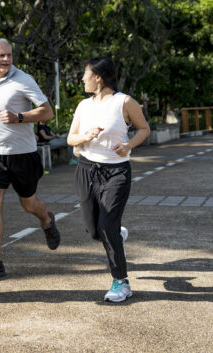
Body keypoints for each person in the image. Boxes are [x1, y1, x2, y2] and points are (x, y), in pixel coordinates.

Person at [0, 38, 61, 279]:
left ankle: (46, 220)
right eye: (1, 56)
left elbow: (47, 111)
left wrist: (19, 117)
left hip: (23, 154)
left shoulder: (24, 80)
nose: (7, 59)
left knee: (28, 204)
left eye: (9, 55)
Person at [67, 56, 150, 303]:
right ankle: (117, 234)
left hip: (116, 172)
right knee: (95, 230)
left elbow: (144, 128)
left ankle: (121, 282)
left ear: (98, 77)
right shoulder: (84, 106)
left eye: (86, 74)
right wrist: (85, 136)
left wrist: (128, 145)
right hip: (86, 170)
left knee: (106, 226)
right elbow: (70, 139)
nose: (82, 78)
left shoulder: (124, 102)